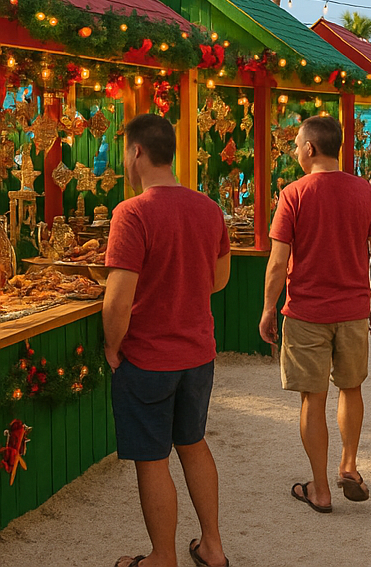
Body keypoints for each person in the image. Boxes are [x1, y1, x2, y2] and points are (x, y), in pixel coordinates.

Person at [104, 114, 231, 567]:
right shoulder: (207, 208)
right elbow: (220, 280)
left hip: (149, 357)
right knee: (193, 444)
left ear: (137, 152)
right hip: (198, 353)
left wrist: (111, 346)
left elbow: (118, 300)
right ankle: (212, 546)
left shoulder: (132, 213)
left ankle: (162, 556)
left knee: (152, 459)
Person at [259, 116, 371, 513]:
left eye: (298, 145)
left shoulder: (293, 194)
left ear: (311, 148)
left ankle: (320, 489)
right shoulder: (363, 192)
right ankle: (348, 465)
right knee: (351, 389)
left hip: (305, 312)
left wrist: (268, 309)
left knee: (312, 399)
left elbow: (278, 263)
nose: (296, 151)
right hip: (352, 311)